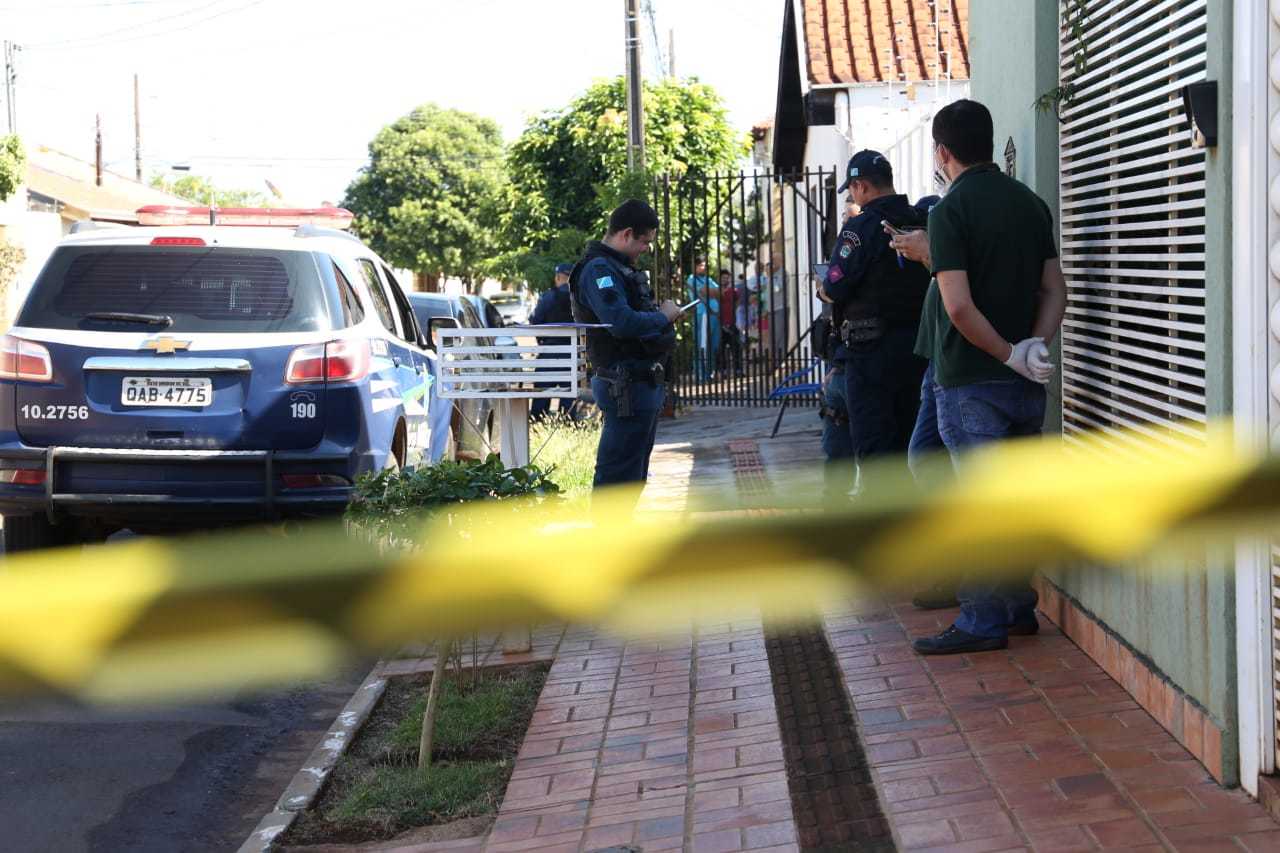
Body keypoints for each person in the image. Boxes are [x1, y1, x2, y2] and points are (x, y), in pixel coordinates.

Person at [896, 99, 1066, 656]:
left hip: (971, 373)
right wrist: (1032, 346)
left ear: (943, 152)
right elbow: (1054, 289)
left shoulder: (949, 212)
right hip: (1018, 375)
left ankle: (981, 617)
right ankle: (1015, 603)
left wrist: (1006, 353)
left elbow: (960, 309)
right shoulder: (1031, 204)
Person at [817, 150, 932, 497]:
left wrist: (824, 290)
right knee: (912, 443)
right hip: (918, 352)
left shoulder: (861, 228)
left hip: (870, 356)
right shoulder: (923, 220)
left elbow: (835, 287)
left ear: (861, 185)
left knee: (876, 450)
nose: (853, 197)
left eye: (852, 190)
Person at [570, 200, 684, 489]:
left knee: (633, 475)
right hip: (624, 385)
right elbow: (619, 322)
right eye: (644, 241)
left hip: (639, 384)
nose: (646, 249)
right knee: (618, 477)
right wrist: (662, 317)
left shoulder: (618, 268)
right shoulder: (599, 270)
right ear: (626, 234)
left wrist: (661, 317)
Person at [529, 262, 578, 421]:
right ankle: (568, 425)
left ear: (557, 277)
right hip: (572, 353)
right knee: (569, 397)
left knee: (541, 396)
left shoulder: (548, 297)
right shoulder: (579, 298)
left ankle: (538, 423)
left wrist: (541, 340)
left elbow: (536, 321)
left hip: (549, 352)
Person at [685, 257, 720, 381]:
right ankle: (700, 374)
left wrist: (712, 291)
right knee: (702, 344)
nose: (704, 268)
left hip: (714, 315)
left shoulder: (708, 279)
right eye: (701, 265)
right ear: (694, 266)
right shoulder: (691, 279)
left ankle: (710, 373)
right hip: (702, 315)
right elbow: (705, 291)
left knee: (712, 345)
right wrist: (712, 291)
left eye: (705, 265)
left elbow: (719, 292)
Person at [717, 269, 744, 376]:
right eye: (723, 277)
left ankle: (738, 370)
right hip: (719, 324)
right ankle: (722, 371)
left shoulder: (734, 291)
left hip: (732, 323)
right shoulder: (716, 290)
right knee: (720, 349)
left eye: (727, 278)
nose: (725, 279)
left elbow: (737, 302)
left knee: (736, 347)